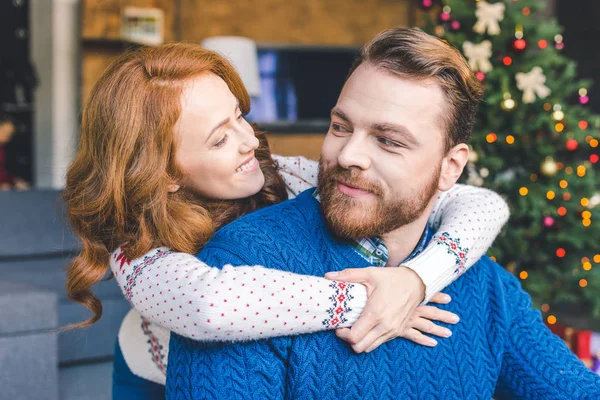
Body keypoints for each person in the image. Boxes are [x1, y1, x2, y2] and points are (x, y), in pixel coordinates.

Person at [165, 28, 600, 399]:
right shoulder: (242, 262)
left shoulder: (486, 287)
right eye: (340, 127)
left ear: (450, 167)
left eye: (388, 141)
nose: (348, 154)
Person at [63, 41, 508, 399]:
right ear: (165, 174)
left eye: (240, 116)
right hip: (151, 377)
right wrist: (370, 300)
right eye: (219, 139)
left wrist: (414, 279)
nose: (248, 141)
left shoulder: (282, 172)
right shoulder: (140, 254)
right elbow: (212, 305)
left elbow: (481, 205)